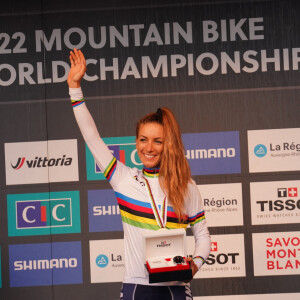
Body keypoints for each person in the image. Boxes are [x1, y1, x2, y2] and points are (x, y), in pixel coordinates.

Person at [67, 49, 211, 300]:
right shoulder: (123, 178)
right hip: (137, 288)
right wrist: (74, 88)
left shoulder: (187, 187)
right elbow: (92, 138)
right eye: (143, 140)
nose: (149, 147)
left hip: (177, 289)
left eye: (158, 141)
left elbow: (202, 235)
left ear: (169, 144)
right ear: (136, 142)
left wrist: (195, 264)